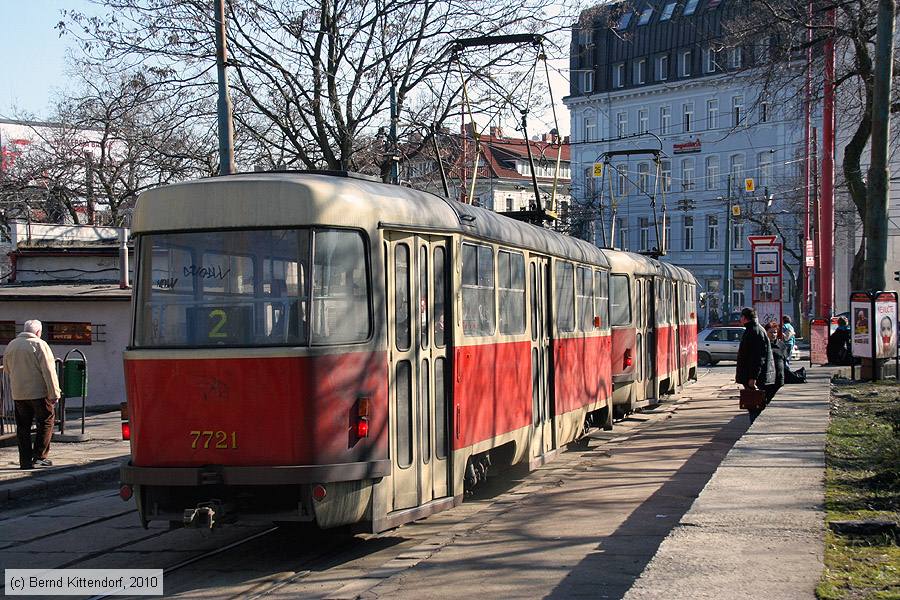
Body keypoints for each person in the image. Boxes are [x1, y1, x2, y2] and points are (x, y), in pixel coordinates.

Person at [3, 320, 61, 470]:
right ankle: (40, 457)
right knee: (46, 421)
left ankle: (25, 460)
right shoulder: (39, 345)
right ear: (38, 332)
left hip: (19, 393)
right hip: (38, 392)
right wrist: (54, 393)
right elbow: (49, 371)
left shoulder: (12, 345)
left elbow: (7, 369)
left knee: (23, 427)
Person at [736, 307, 774, 421]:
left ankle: (754, 424)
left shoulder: (754, 331)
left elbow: (757, 358)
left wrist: (753, 377)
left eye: (741, 317)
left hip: (753, 378)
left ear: (744, 318)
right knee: (753, 405)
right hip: (752, 376)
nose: (740, 319)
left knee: (754, 405)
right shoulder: (755, 329)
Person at [764, 321, 786, 404]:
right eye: (771, 332)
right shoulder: (763, 345)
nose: (773, 334)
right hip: (766, 378)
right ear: (766, 332)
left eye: (775, 332)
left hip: (779, 377)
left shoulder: (781, 345)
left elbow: (784, 360)